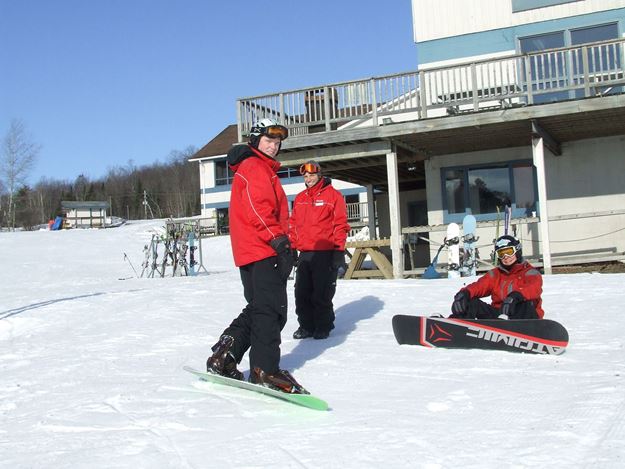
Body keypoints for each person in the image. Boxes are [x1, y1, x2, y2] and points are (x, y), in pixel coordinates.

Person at [205, 118, 307, 394]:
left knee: (259, 308)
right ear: (255, 141)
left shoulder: (255, 167)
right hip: (263, 249)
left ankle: (224, 356)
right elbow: (258, 208)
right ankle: (265, 370)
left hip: (253, 250)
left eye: (277, 143)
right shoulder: (255, 166)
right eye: (268, 141)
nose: (274, 147)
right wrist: (279, 241)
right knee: (271, 312)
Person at [289, 160, 351, 340]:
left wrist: (338, 251)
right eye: (305, 176)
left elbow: (340, 225)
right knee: (301, 292)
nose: (308, 178)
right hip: (305, 253)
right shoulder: (300, 198)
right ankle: (306, 326)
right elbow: (293, 225)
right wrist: (292, 247)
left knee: (321, 293)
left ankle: (323, 326)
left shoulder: (334, 196)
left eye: (312, 175)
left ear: (320, 174)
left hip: (325, 253)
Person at [450, 234, 544, 320]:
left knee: (526, 304)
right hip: (500, 316)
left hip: (522, 318)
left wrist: (515, 296)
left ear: (517, 251)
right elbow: (480, 286)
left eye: (509, 252)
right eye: (501, 254)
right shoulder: (495, 274)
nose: (506, 257)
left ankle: (527, 331)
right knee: (471, 302)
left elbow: (533, 288)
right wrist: (464, 293)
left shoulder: (530, 272)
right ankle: (456, 325)